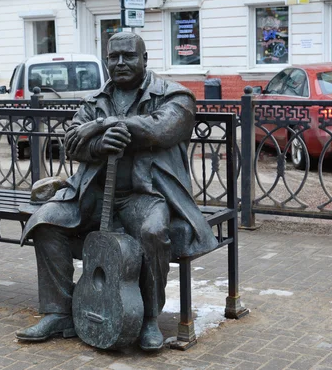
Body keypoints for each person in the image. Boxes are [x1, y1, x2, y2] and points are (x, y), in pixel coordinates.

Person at [16, 32, 217, 351]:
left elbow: (160, 130)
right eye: (114, 57)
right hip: (92, 193)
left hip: (148, 194)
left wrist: (99, 125)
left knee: (153, 232)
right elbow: (72, 143)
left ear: (145, 59)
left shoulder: (174, 95)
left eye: (129, 56)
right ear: (107, 59)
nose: (120, 62)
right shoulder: (94, 100)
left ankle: (150, 318)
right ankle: (59, 312)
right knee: (46, 222)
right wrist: (98, 145)